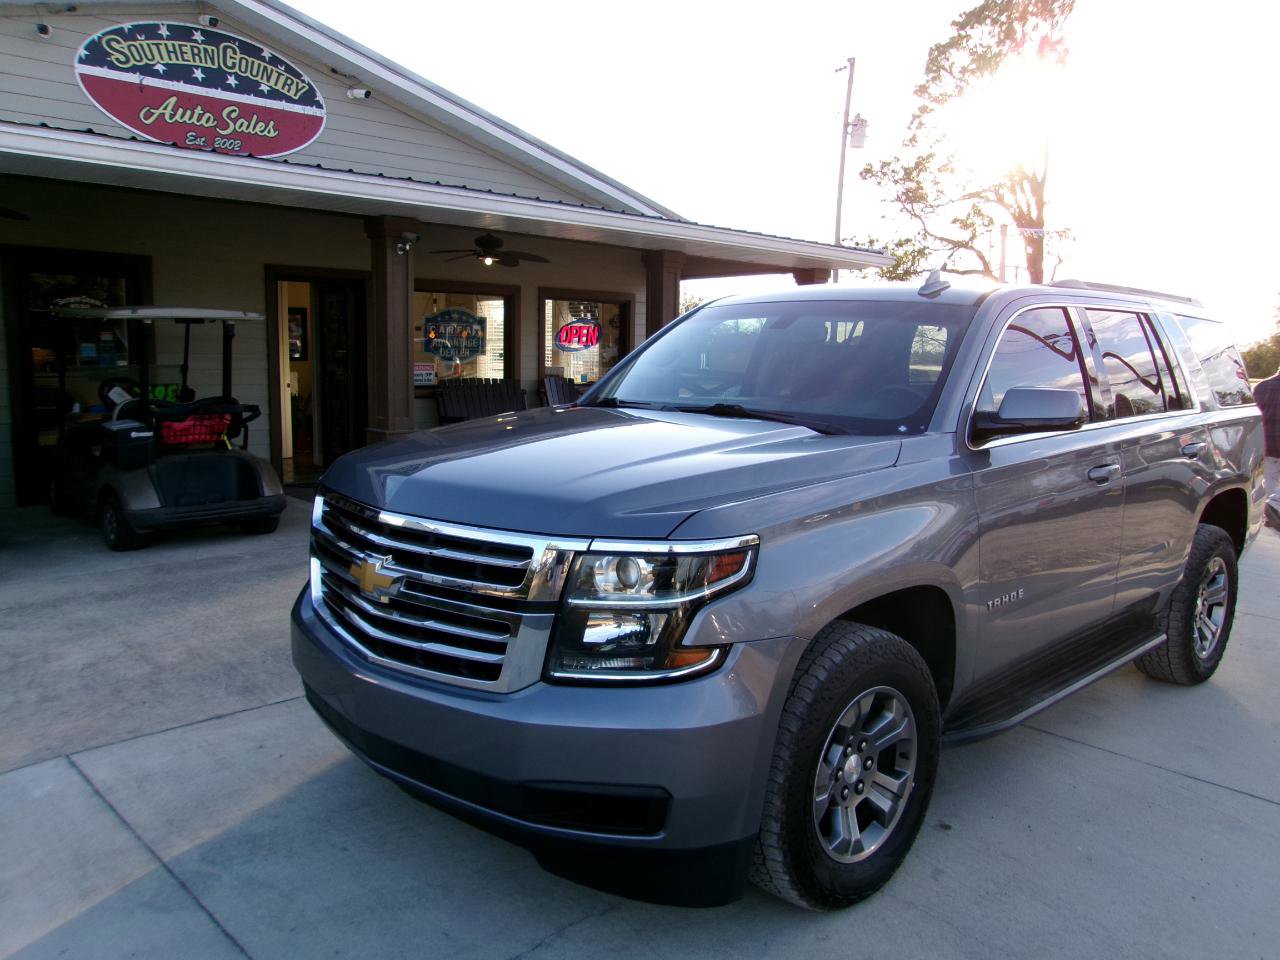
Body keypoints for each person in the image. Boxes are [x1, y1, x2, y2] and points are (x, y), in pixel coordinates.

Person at [1255, 365, 1280, 528]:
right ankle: (1274, 505)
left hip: (1266, 442)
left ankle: (1272, 514)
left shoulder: (1260, 386)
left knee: (1269, 479)